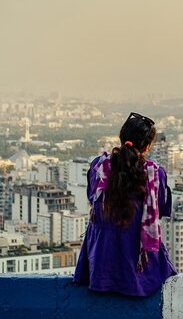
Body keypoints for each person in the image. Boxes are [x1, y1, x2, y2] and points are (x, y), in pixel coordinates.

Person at [73, 112, 176, 296]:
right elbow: (158, 210)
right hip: (138, 269)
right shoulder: (155, 174)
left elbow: (92, 197)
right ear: (147, 146)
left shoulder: (99, 166)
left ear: (122, 138)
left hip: (99, 264)